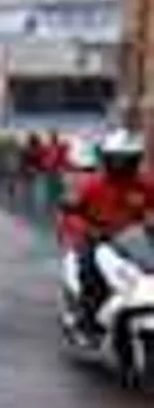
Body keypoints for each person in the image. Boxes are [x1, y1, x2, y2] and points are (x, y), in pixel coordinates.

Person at [57, 129, 154, 339]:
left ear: (136, 159)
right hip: (98, 238)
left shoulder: (145, 185)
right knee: (89, 268)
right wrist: (87, 229)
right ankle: (87, 317)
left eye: (128, 159)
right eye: (117, 159)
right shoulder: (92, 185)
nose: (122, 165)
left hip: (135, 240)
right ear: (108, 159)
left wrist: (150, 221)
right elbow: (72, 211)